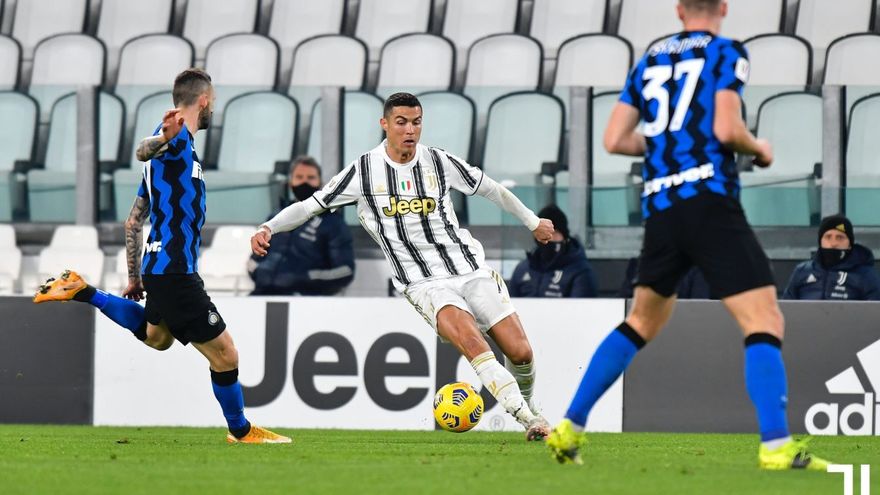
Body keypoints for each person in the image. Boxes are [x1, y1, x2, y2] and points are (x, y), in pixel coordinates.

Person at [546, 0, 830, 470]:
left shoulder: (650, 59)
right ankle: (776, 445)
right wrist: (760, 148)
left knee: (641, 321)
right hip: (708, 199)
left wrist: (666, 145)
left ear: (679, 10)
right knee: (764, 319)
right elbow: (726, 128)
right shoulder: (726, 51)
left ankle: (570, 427)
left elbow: (614, 139)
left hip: (661, 207)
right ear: (724, 7)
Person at [251, 92, 554, 440]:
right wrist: (268, 227)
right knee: (473, 342)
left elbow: (490, 189)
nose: (410, 130)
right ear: (385, 124)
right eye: (401, 122)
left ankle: (530, 407)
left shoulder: (439, 161)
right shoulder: (364, 170)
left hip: (469, 268)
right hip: (423, 283)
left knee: (521, 352)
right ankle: (528, 419)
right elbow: (309, 206)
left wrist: (532, 221)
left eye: (416, 122)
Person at [33, 68, 289, 444]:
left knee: (157, 337)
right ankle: (240, 430)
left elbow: (133, 220)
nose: (213, 109)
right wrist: (162, 138)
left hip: (158, 266)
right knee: (226, 354)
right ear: (204, 100)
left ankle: (83, 290)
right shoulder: (175, 138)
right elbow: (142, 149)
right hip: (175, 268)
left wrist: (135, 276)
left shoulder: (164, 160)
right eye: (213, 103)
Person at [248, 156, 355, 296]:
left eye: (311, 177)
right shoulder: (274, 218)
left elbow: (345, 271)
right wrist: (259, 272)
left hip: (306, 299)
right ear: (290, 182)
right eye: (299, 177)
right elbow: (254, 258)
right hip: (262, 293)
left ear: (320, 183)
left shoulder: (333, 223)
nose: (305, 182)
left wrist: (304, 278)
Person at [783, 214, 880, 300]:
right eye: (828, 237)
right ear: (820, 241)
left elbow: (875, 311)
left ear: (850, 244)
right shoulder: (802, 271)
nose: (833, 243)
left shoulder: (865, 274)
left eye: (840, 237)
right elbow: (786, 308)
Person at [508, 204, 597, 298]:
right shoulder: (522, 269)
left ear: (564, 236)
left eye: (554, 233)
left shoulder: (580, 271)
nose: (549, 238)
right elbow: (509, 303)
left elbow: (581, 306)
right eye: (543, 234)